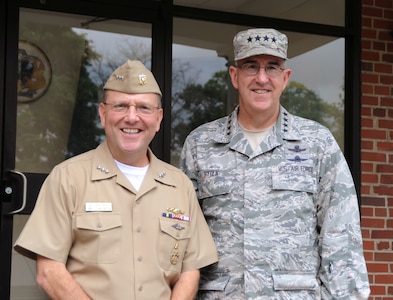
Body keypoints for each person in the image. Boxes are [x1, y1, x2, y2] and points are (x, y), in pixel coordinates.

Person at [180, 28, 370, 299]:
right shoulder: (200, 144)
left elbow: (342, 237)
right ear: (234, 76)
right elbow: (182, 238)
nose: (261, 78)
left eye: (272, 67)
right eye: (250, 66)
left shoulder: (316, 143)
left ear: (285, 78)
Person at [14, 60, 218, 300]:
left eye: (143, 108)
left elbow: (190, 268)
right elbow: (49, 272)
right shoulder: (68, 177)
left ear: (158, 118)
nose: (132, 118)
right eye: (121, 106)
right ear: (103, 113)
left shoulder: (179, 185)